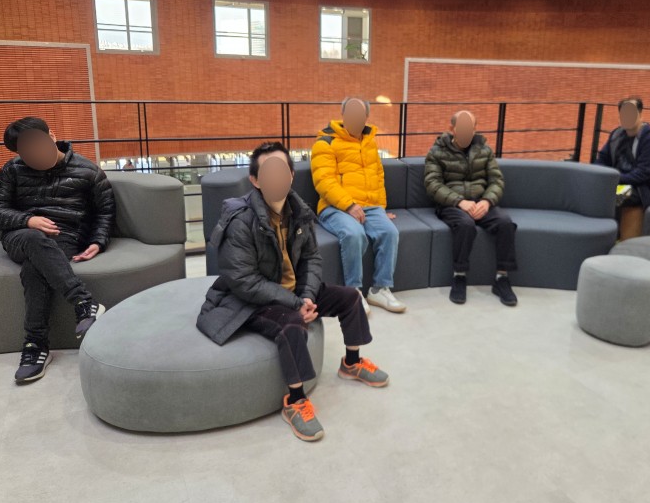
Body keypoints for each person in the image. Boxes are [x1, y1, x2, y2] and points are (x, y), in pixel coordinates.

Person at [197, 141, 389, 442]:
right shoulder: (240, 219)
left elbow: (312, 258)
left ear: (290, 176)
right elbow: (244, 281)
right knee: (292, 324)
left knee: (350, 297)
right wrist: (295, 303)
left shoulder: (299, 211)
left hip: (294, 290)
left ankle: (351, 362)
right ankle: (295, 401)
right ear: (255, 180)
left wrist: (308, 296)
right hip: (253, 299)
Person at [0, 117, 114, 383]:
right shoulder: (12, 170)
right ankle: (83, 302)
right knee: (34, 239)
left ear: (51, 135)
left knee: (34, 270)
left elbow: (104, 212)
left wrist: (97, 241)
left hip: (64, 236)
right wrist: (27, 220)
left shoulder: (88, 170)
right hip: (20, 234)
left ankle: (35, 346)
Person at [310, 97, 406, 314]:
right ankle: (352, 292)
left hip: (369, 207)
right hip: (335, 207)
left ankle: (379, 289)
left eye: (359, 114)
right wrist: (349, 205)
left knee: (389, 232)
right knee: (354, 234)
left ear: (366, 118)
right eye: (350, 113)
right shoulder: (325, 142)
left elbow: (378, 176)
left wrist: (381, 207)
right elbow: (324, 181)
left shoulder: (370, 142)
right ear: (342, 115)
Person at [424, 110, 517, 306]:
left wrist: (487, 201)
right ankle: (459, 276)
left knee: (506, 223)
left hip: (481, 202)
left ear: (475, 129)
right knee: (465, 225)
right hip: (452, 204)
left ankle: (502, 278)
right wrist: (460, 202)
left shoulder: (485, 150)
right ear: (452, 129)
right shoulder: (437, 151)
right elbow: (433, 184)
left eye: (471, 128)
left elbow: (496, 181)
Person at [596, 97, 650, 239]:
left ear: (640, 115)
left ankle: (611, 235)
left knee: (610, 195)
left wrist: (614, 179)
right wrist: (599, 176)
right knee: (593, 191)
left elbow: (644, 173)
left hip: (639, 189)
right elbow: (602, 159)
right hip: (616, 182)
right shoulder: (616, 135)